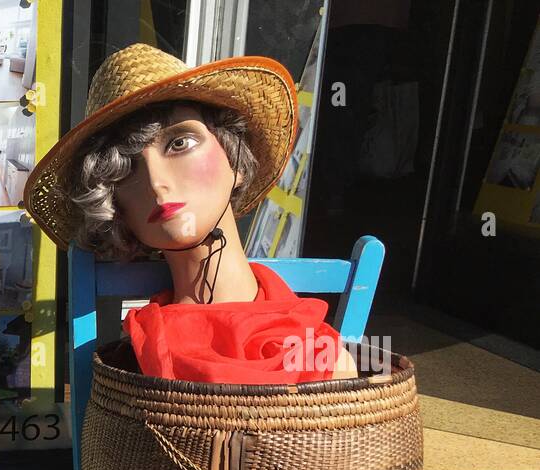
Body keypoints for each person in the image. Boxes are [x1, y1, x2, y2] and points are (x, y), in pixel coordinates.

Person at [25, 43, 357, 384]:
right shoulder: (136, 367)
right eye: (124, 168)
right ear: (115, 206)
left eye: (179, 143)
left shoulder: (322, 354)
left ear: (234, 158)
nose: (156, 183)